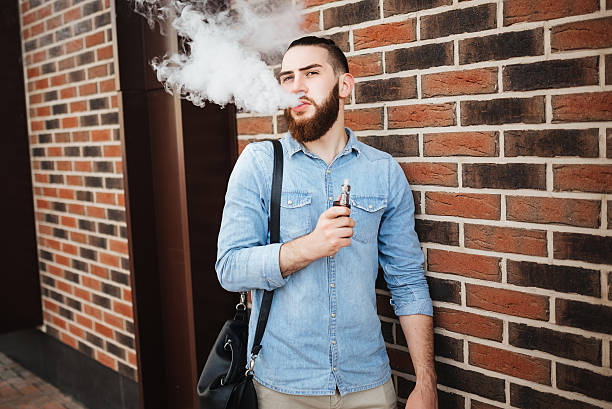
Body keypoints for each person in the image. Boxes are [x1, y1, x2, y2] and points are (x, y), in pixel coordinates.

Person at [216, 36, 438, 409]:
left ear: (344, 85)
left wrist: (425, 381)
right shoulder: (258, 163)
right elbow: (230, 268)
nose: (296, 86)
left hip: (368, 385)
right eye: (287, 78)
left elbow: (408, 281)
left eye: (311, 73)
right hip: (283, 389)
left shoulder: (382, 172)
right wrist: (309, 247)